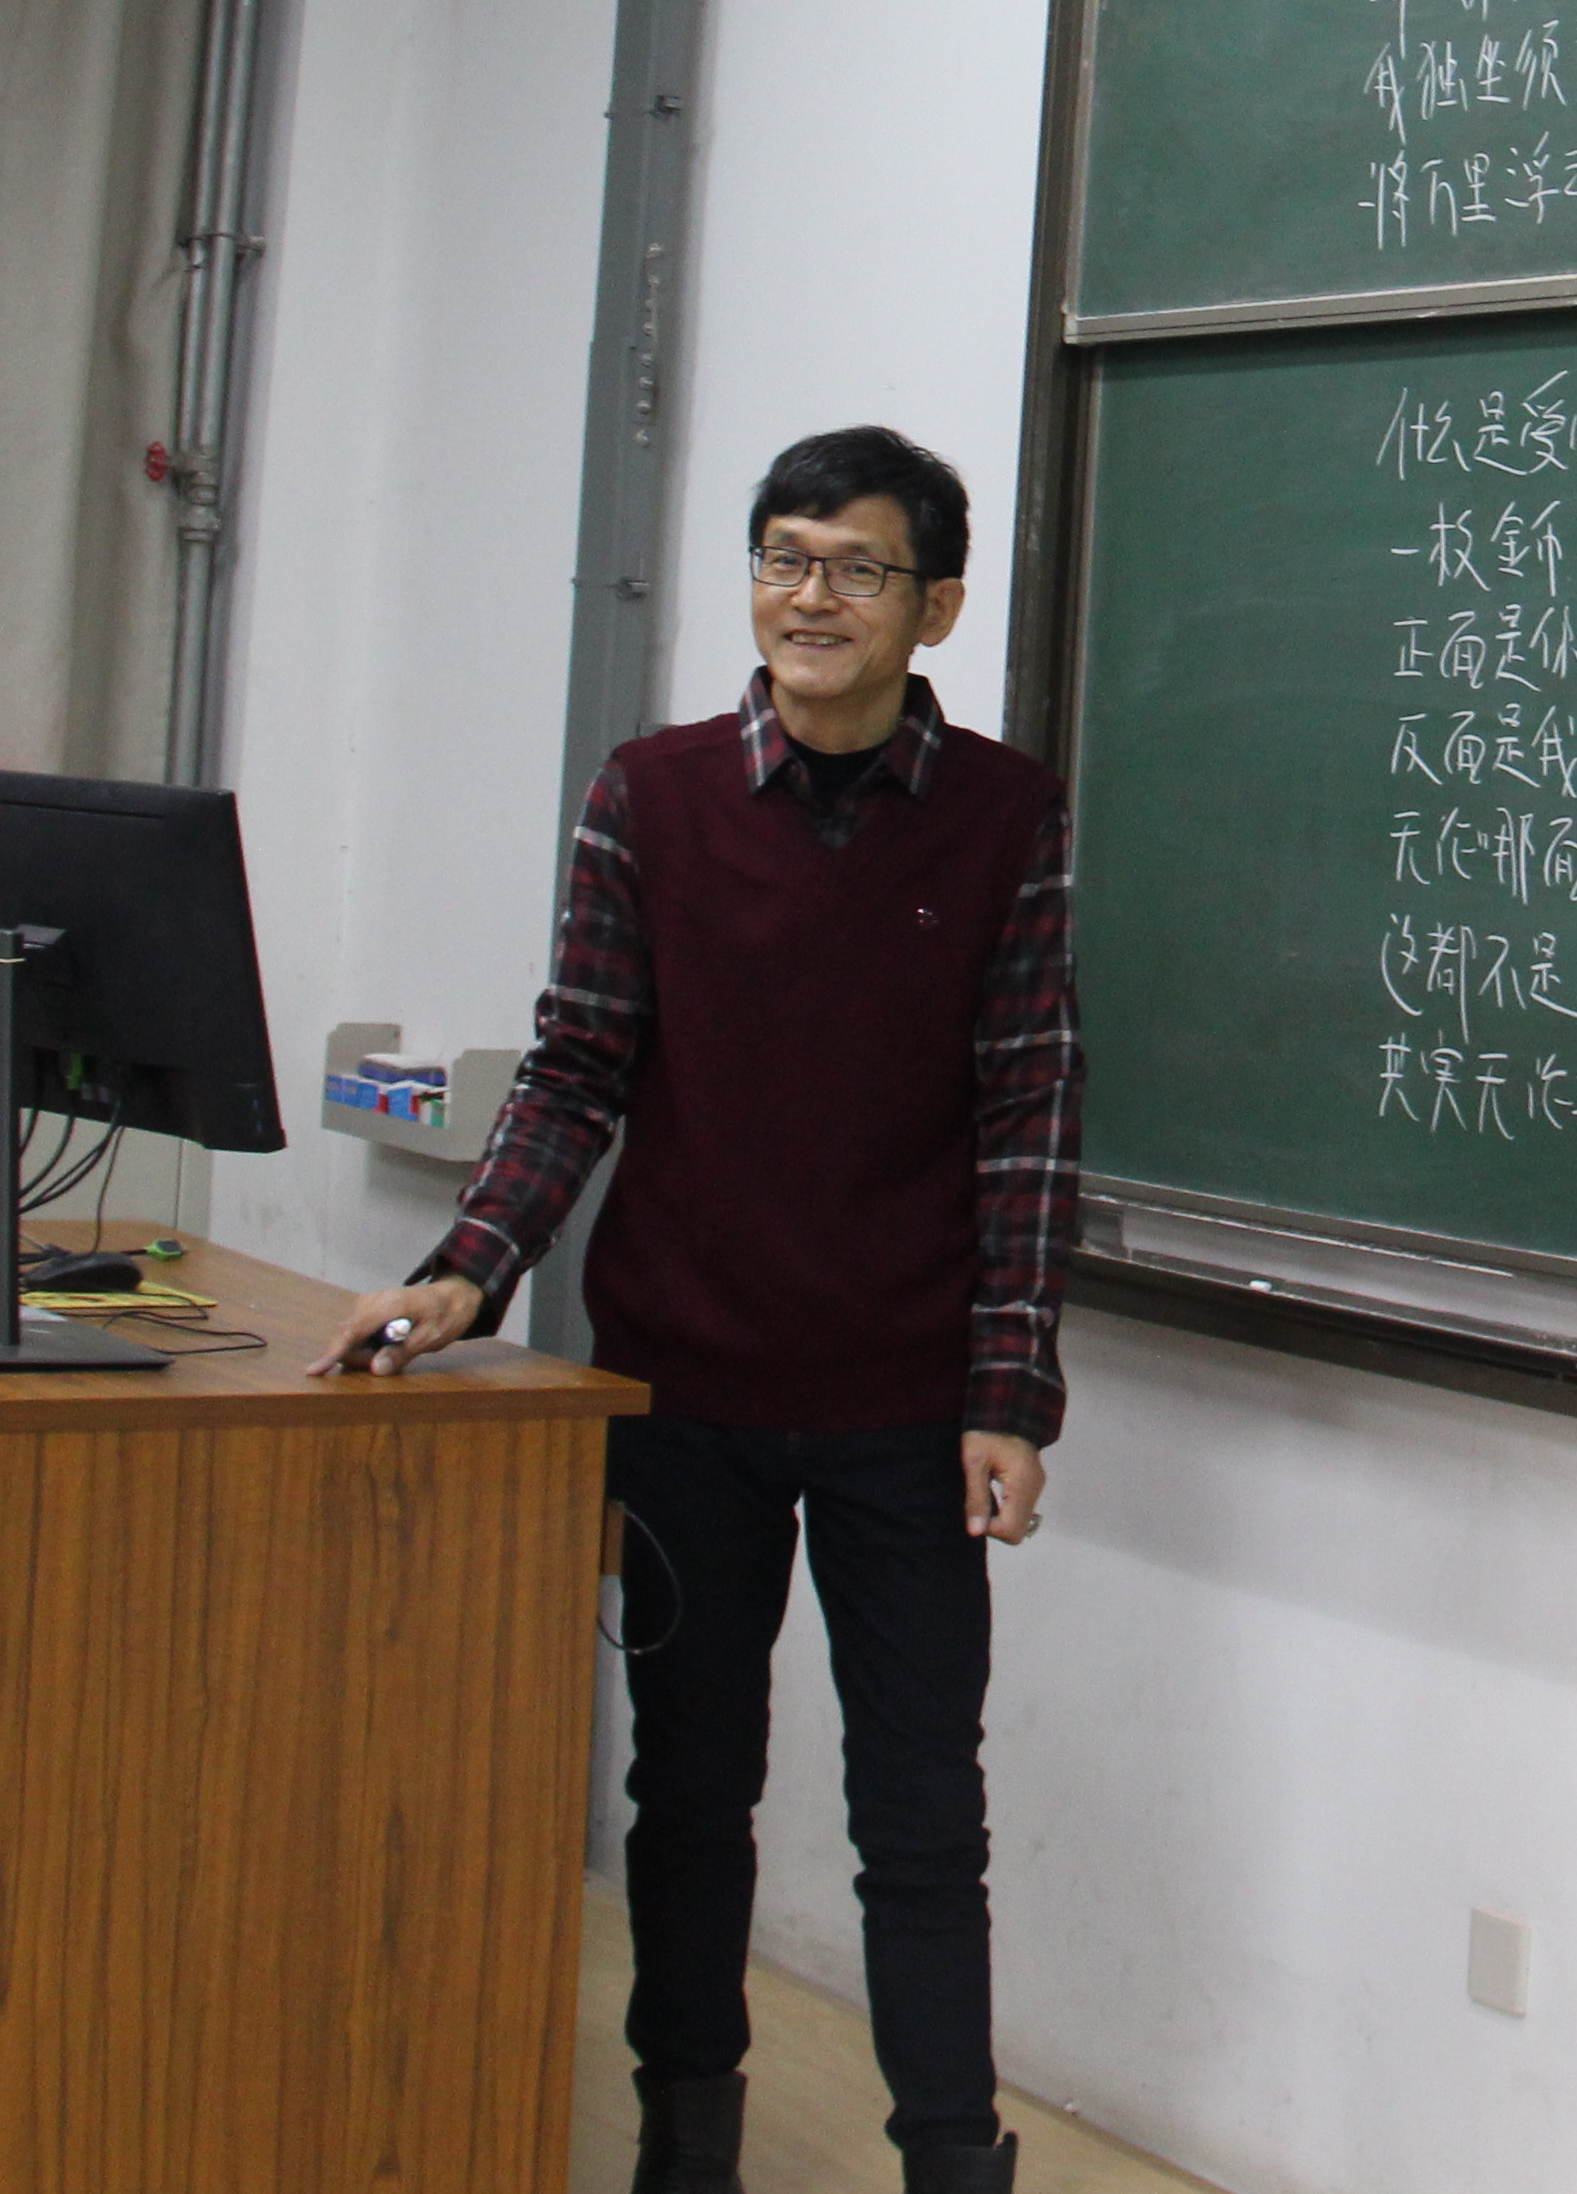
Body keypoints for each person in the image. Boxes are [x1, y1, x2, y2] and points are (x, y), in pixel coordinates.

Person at [318, 425, 1076, 2194]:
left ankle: (951, 2157)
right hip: (683, 1390)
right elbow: (577, 1063)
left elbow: (1030, 1110)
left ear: (935, 607)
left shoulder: (1005, 818)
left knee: (921, 1813)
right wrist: (470, 1267)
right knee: (688, 1793)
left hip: (907, 1404)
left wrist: (1010, 1390)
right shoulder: (649, 795)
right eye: (783, 557)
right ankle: (686, 2146)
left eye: (858, 567)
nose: (811, 597)